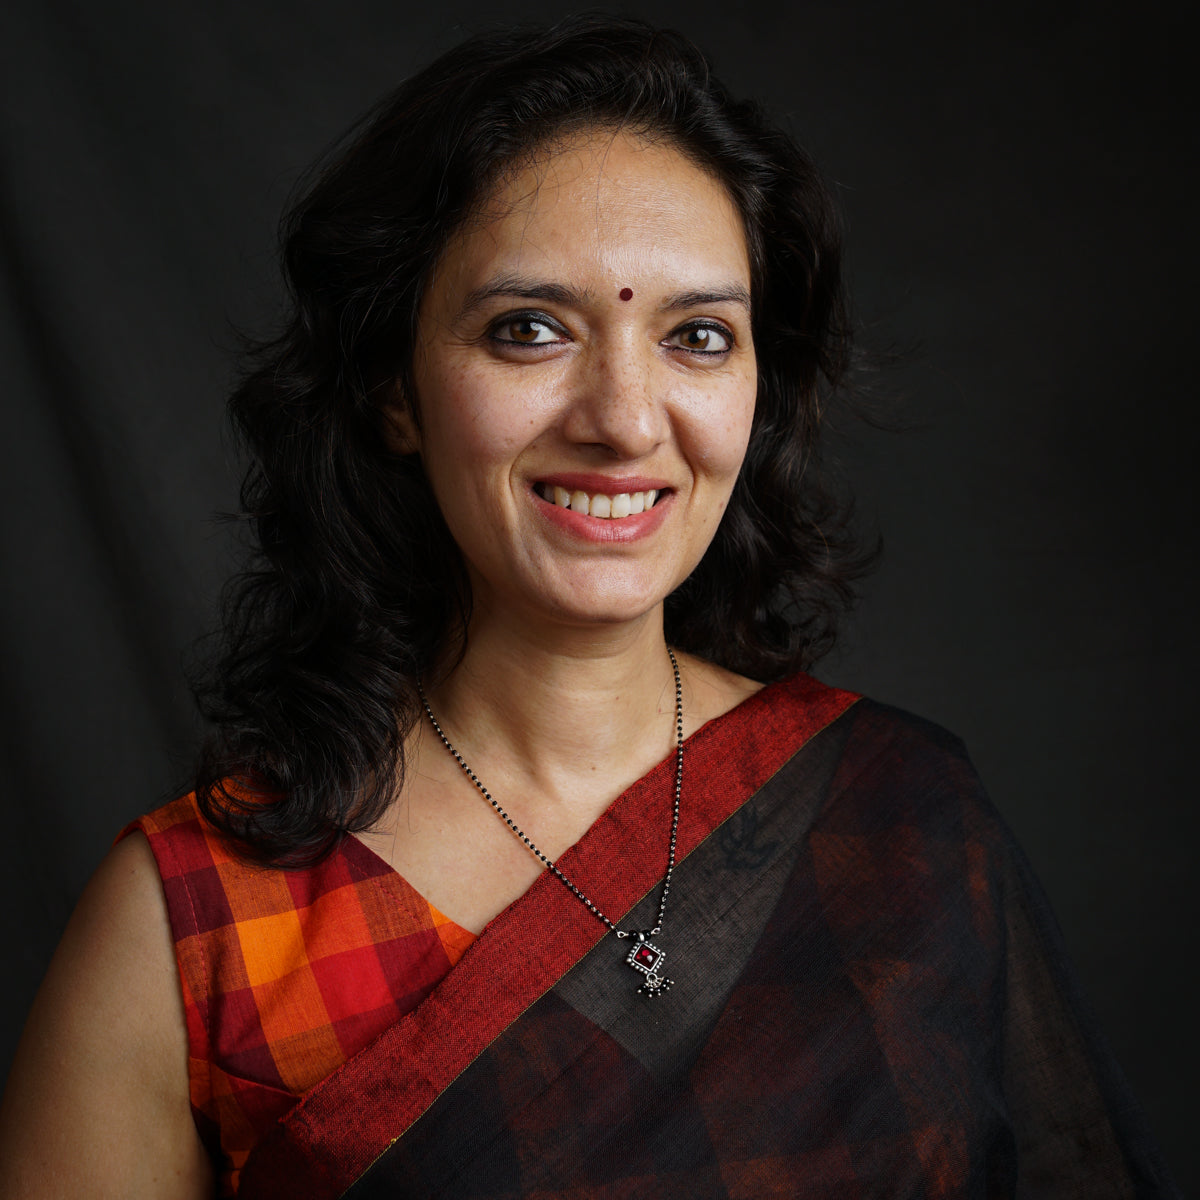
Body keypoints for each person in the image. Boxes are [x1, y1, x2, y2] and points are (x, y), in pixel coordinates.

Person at [0, 16, 1178, 1199]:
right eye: (529, 331)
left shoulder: (907, 826)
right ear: (391, 392)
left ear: (760, 390)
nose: (623, 418)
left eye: (698, 337)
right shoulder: (198, 922)